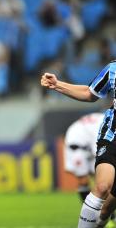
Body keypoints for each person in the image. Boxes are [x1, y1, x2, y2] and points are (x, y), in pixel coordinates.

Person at [41, 69, 116, 228]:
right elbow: (90, 93)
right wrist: (57, 84)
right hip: (112, 136)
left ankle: (101, 222)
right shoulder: (113, 69)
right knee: (102, 187)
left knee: (106, 210)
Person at [64, 113, 105, 202]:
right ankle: (87, 208)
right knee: (83, 180)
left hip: (86, 146)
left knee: (101, 180)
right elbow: (98, 148)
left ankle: (102, 207)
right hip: (76, 147)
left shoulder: (103, 117)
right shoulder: (103, 122)